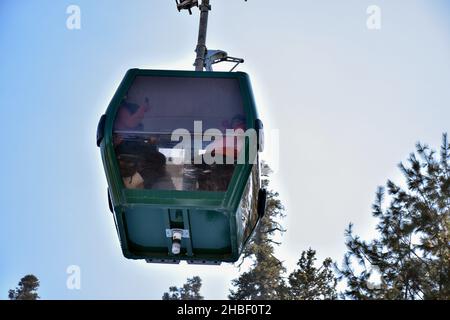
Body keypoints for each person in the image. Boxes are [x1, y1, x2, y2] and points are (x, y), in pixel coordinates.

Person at [113, 99, 167, 189]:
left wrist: (152, 143)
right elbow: (130, 122)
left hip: (139, 164)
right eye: (136, 114)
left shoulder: (139, 131)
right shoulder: (114, 135)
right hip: (129, 165)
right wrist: (143, 108)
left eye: (141, 115)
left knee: (159, 159)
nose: (140, 116)